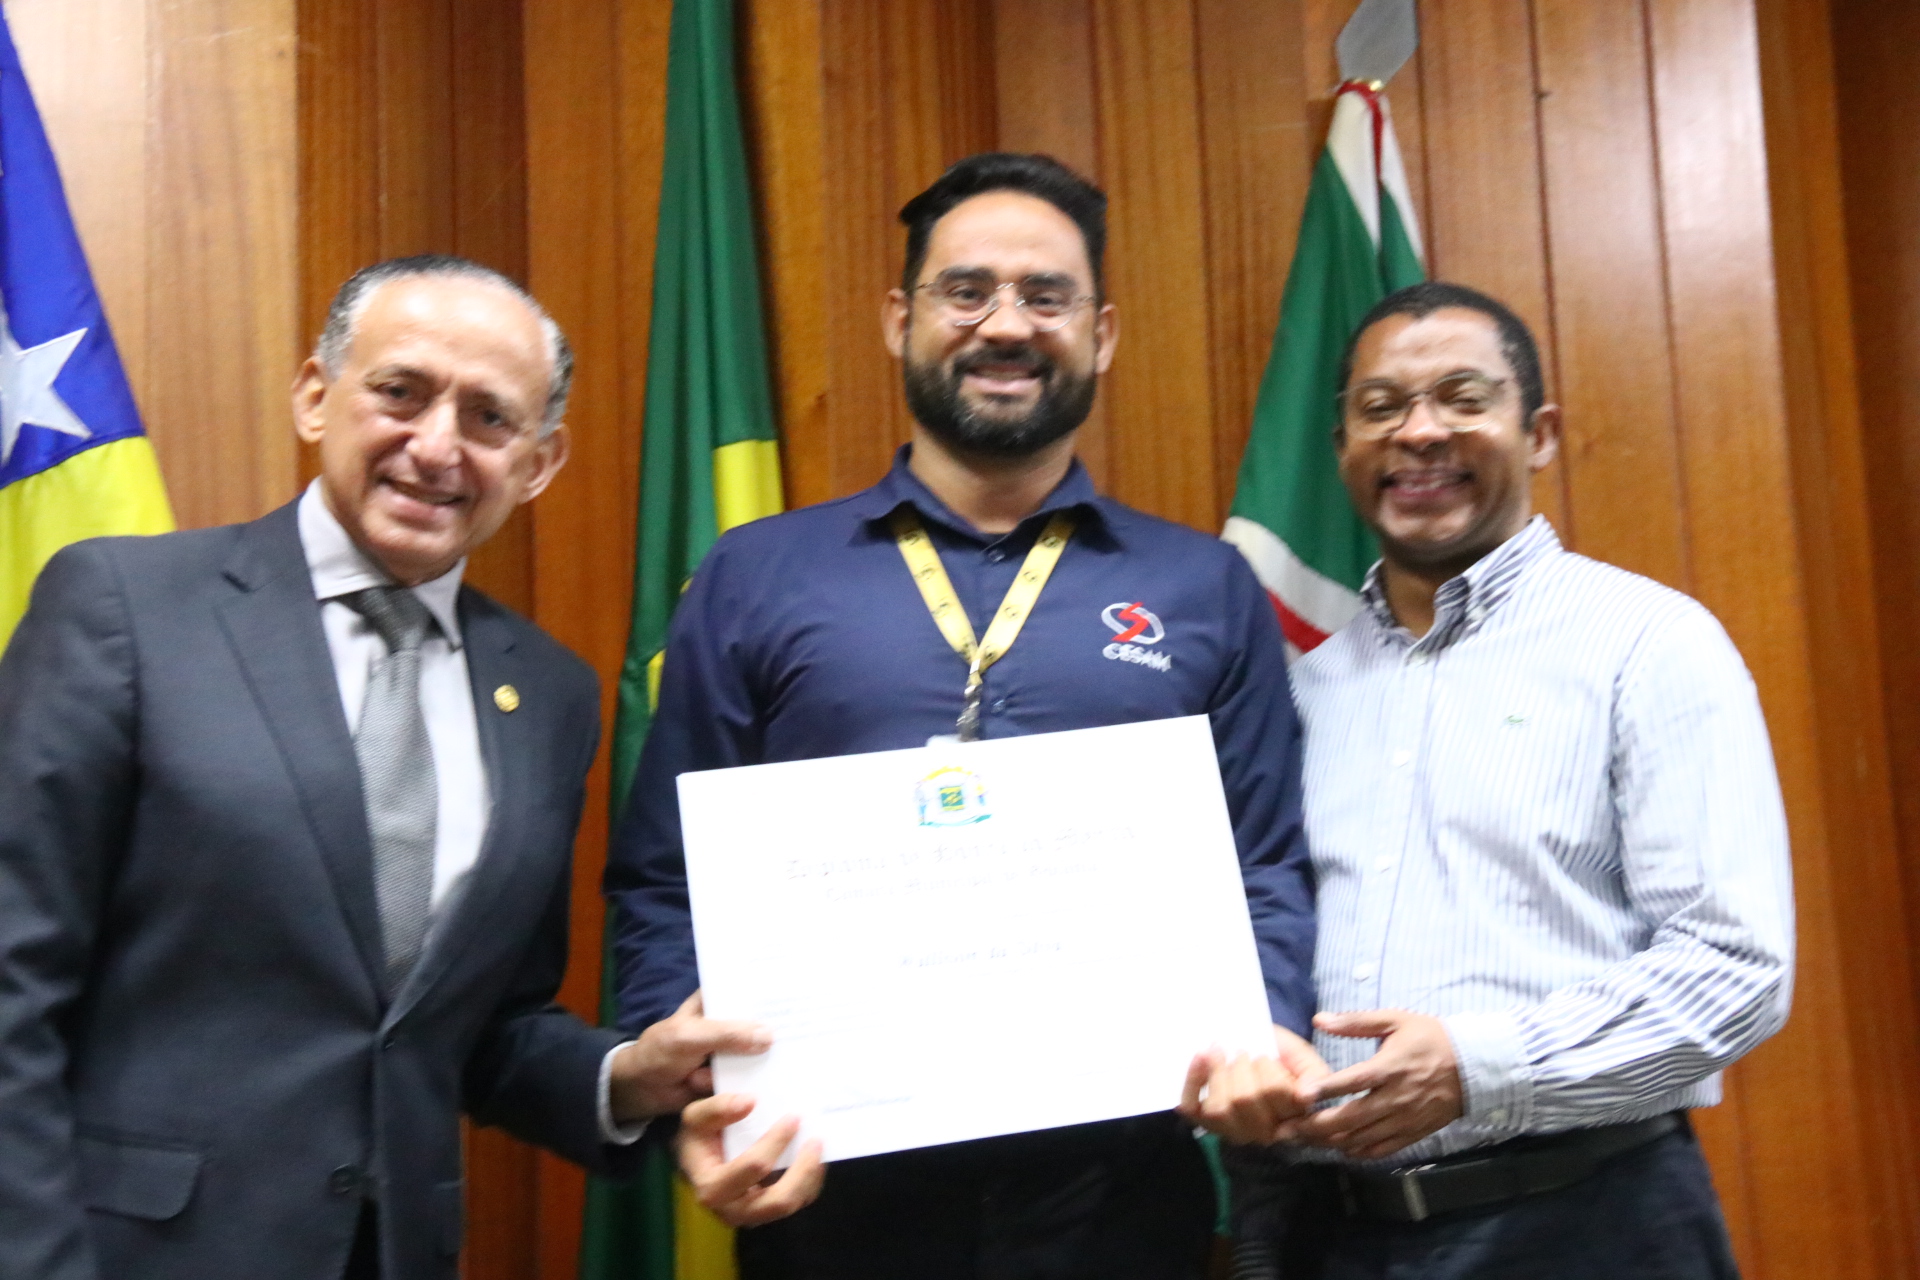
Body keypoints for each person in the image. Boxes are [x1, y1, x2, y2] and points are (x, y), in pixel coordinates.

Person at [0, 255, 819, 1280]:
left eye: (489, 417)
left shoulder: (549, 695)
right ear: (315, 395)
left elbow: (480, 1024)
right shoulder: (127, 607)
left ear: (539, 461)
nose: (436, 446)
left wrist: (625, 1078)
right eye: (401, 391)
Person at [604, 152, 1321, 1279]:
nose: (1007, 324)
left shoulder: (1202, 586)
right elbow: (663, 878)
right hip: (829, 1197)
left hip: (1121, 1198)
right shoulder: (755, 575)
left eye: (1047, 296)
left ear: (1102, 334)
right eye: (967, 290)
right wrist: (691, 1073)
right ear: (901, 319)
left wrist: (1265, 1030)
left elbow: (1264, 863)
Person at [1189, 281, 1794, 1278]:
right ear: (1342, 447)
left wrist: (1479, 1070)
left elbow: (1735, 970)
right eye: (1381, 407)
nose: (1420, 431)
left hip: (1584, 1222)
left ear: (1539, 432)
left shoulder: (1648, 645)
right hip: (1328, 1234)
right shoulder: (1298, 694)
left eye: (1463, 398)